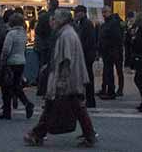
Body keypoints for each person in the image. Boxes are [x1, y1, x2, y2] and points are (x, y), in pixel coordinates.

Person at [24, 8, 97, 147]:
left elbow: (66, 60)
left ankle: (37, 134)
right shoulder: (67, 33)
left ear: (61, 20)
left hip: (67, 79)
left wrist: (62, 81)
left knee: (55, 106)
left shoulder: (65, 35)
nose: (52, 21)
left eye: (54, 18)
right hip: (70, 79)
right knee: (72, 107)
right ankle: (89, 134)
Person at [0, 12, 35, 120]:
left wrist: (2, 61)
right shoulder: (23, 33)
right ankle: (27, 103)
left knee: (6, 87)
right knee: (16, 86)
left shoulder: (11, 34)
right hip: (21, 61)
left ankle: (7, 111)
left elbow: (6, 49)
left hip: (11, 62)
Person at [73, 5, 98, 108]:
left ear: (82, 13)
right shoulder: (83, 23)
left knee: (88, 78)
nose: (75, 14)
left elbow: (86, 41)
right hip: (87, 54)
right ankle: (88, 99)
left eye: (77, 12)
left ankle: (90, 100)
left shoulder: (86, 24)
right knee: (86, 77)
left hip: (87, 55)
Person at [98, 7, 124, 100]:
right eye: (103, 12)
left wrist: (109, 46)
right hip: (107, 52)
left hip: (112, 51)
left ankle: (112, 92)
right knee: (107, 72)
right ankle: (108, 90)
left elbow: (116, 38)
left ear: (110, 12)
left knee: (114, 71)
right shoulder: (106, 23)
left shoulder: (113, 23)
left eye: (105, 12)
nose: (104, 14)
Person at [35, 0, 59, 95]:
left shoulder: (44, 16)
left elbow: (38, 31)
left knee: (44, 67)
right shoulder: (59, 17)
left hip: (45, 45)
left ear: (50, 5)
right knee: (54, 68)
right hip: (55, 45)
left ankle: (42, 88)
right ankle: (52, 87)